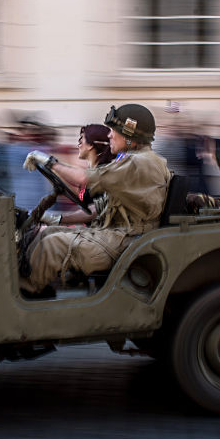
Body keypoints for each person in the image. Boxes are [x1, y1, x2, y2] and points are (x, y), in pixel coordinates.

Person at [19, 105, 170, 297]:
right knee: (46, 233)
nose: (109, 136)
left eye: (114, 131)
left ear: (129, 137)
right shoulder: (138, 161)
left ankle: (26, 294)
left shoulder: (138, 163)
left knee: (51, 245)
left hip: (123, 240)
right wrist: (56, 219)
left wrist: (48, 161)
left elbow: (83, 179)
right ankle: (38, 288)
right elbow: (101, 208)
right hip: (118, 235)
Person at [39, 123, 116, 227]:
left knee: (45, 236)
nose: (78, 145)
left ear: (90, 145)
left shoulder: (103, 172)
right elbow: (79, 194)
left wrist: (57, 219)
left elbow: (94, 211)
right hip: (93, 229)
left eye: (81, 140)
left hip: (101, 232)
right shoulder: (94, 170)